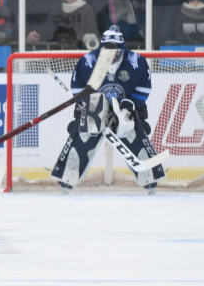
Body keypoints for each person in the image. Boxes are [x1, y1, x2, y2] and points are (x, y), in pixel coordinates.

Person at [51, 26, 165, 194]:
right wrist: (88, 101)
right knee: (86, 131)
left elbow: (144, 87)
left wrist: (128, 105)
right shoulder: (88, 61)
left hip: (126, 105)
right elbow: (77, 87)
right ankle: (67, 178)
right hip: (95, 104)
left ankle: (149, 179)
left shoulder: (136, 61)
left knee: (131, 130)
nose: (113, 55)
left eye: (116, 51)